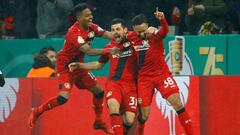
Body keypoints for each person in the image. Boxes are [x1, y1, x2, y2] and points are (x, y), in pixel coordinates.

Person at [28, 3, 119, 134]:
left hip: (79, 65)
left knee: (99, 92)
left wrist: (121, 35)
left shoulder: (91, 27)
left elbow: (106, 34)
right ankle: (37, 111)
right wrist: (109, 50)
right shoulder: (73, 33)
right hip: (65, 67)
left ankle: (98, 121)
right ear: (79, 17)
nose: (91, 17)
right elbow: (88, 51)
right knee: (63, 98)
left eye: (91, 14)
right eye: (87, 15)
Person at [127, 8, 193, 135]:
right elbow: (119, 37)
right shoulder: (131, 37)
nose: (141, 34)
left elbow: (165, 31)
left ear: (148, 26)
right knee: (144, 116)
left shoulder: (155, 34)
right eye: (138, 32)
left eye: (143, 30)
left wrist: (162, 20)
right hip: (144, 79)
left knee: (178, 104)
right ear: (133, 29)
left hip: (162, 75)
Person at [68, 18, 138, 135]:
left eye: (118, 29)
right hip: (114, 85)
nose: (115, 32)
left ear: (125, 30)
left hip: (131, 87)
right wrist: (79, 65)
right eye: (113, 30)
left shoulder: (134, 42)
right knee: (113, 107)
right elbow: (98, 65)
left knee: (129, 120)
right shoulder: (109, 47)